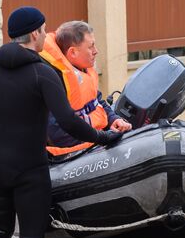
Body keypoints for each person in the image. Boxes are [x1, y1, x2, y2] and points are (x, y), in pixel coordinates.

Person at [0, 6, 123, 238]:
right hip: (29, 170)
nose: (45, 35)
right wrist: (103, 137)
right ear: (33, 35)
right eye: (43, 30)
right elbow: (68, 122)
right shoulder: (42, 74)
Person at [40, 20, 131, 156]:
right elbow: (57, 134)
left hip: (94, 139)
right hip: (71, 155)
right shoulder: (53, 81)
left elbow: (96, 101)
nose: (96, 51)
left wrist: (113, 119)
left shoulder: (83, 70)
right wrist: (100, 137)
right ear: (73, 53)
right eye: (91, 47)